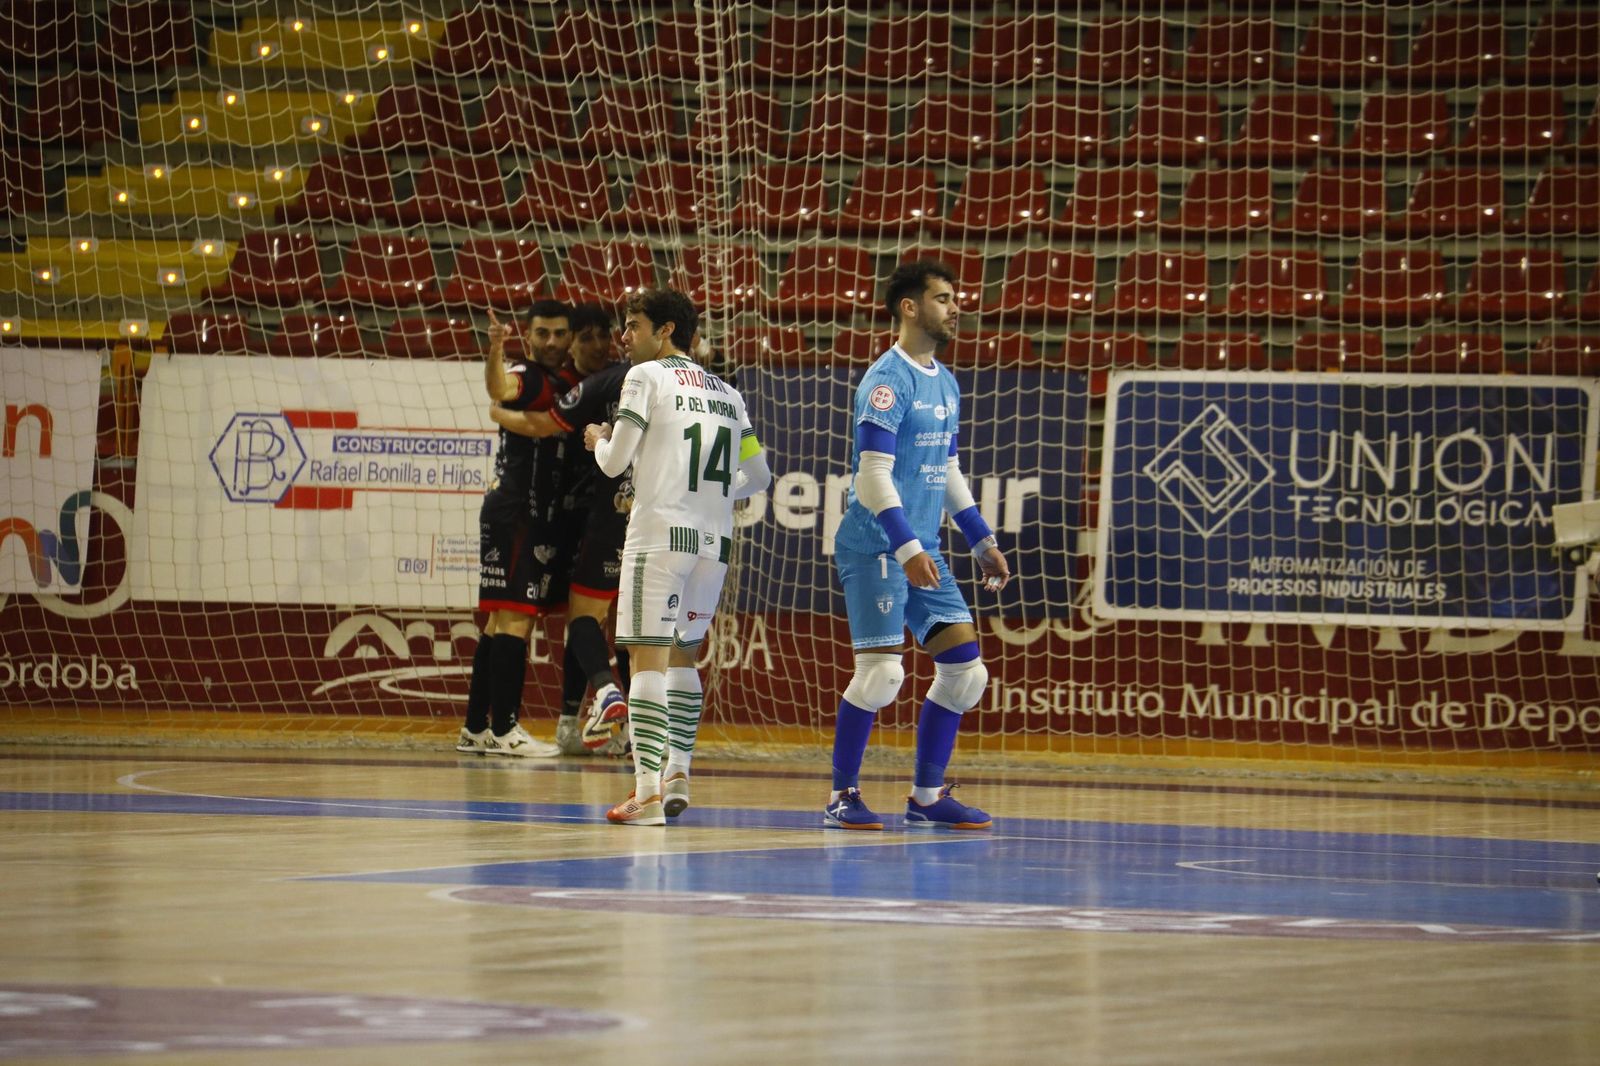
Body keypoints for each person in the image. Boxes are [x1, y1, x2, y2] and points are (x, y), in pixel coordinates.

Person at [824, 260, 1011, 831]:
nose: (957, 307)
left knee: (967, 672)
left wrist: (981, 539)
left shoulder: (945, 379)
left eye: (955, 298)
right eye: (944, 298)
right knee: (881, 675)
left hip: (921, 544)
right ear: (910, 307)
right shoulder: (886, 380)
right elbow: (871, 477)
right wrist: (906, 548)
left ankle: (926, 798)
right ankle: (843, 796)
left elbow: (947, 467)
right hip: (877, 547)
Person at [582, 288, 771, 826]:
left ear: (666, 331)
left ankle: (645, 793)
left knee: (646, 661)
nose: (624, 336)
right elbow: (759, 478)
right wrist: (708, 495)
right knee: (684, 658)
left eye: (634, 325)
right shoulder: (729, 394)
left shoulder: (645, 378)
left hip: (661, 536)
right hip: (713, 543)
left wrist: (598, 437)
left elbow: (614, 461)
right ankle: (678, 768)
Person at [490, 303, 632, 756]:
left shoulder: (610, 380)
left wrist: (498, 415)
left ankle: (615, 716)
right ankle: (570, 718)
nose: (596, 344)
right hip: (568, 517)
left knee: (610, 621)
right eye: (585, 336)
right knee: (581, 618)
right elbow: (529, 410)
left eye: (601, 335)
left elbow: (542, 424)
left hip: (607, 515)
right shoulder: (562, 380)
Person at [457, 300, 586, 758]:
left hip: (528, 514)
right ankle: (506, 727)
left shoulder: (567, 381)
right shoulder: (529, 376)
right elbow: (500, 386)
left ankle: (475, 728)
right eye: (542, 333)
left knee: (497, 621)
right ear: (528, 337)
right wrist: (495, 349)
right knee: (514, 618)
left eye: (559, 333)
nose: (551, 342)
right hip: (517, 513)